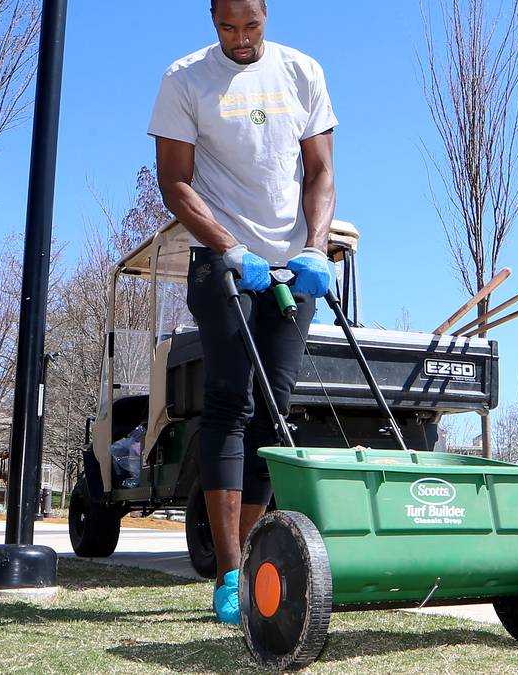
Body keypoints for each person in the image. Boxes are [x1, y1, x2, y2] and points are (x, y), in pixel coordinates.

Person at [148, 0, 336, 623]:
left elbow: (320, 171)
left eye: (250, 26)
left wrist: (314, 246)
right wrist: (230, 247)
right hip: (222, 264)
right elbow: (175, 182)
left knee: (274, 412)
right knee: (231, 402)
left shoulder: (303, 71)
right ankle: (229, 574)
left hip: (291, 267)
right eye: (227, 27)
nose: (240, 39)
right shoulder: (185, 78)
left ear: (266, 15)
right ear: (212, 20)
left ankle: (255, 557)